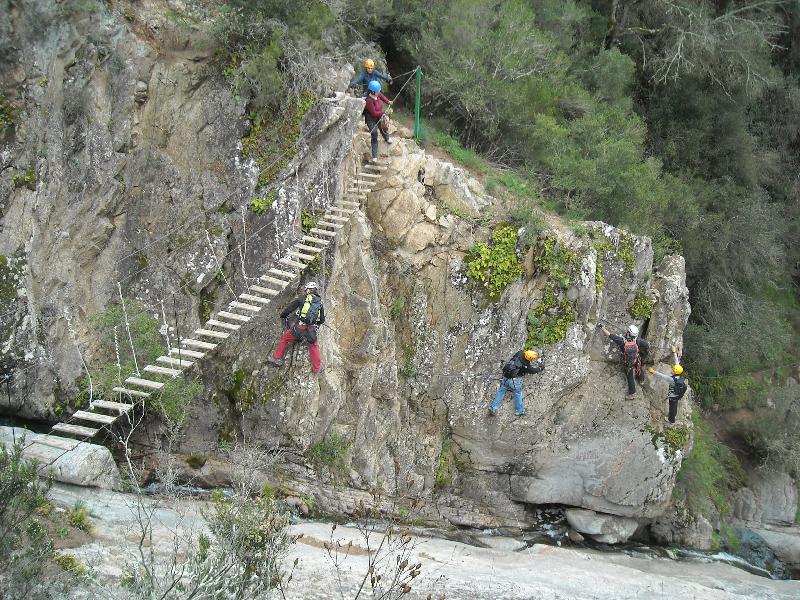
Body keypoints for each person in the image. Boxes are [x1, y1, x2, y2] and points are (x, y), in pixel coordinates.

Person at [268, 282, 325, 374]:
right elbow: (321, 320)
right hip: (311, 331)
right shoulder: (319, 303)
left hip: (299, 329)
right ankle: (316, 368)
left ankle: (277, 358)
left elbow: (288, 309)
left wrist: (283, 315)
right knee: (313, 346)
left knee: (285, 338)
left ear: (308, 290)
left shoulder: (302, 299)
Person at [489, 349, 545, 417]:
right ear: (530, 359)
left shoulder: (519, 353)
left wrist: (537, 358)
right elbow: (533, 370)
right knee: (518, 393)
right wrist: (540, 368)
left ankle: (493, 407)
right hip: (514, 381)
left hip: (506, 376)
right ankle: (519, 410)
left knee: (501, 391)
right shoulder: (526, 365)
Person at [601, 323, 650, 395]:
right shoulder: (638, 341)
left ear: (628, 333)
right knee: (639, 367)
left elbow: (610, 335)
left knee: (630, 378)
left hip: (628, 363)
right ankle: (641, 380)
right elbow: (646, 345)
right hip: (636, 359)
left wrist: (602, 327)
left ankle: (632, 392)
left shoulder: (622, 341)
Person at [648, 346, 688, 424]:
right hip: (678, 394)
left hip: (673, 396)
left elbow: (662, 376)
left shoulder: (672, 380)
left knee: (672, 407)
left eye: (673, 370)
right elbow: (677, 363)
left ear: (675, 372)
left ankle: (671, 420)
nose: (672, 369)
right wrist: (674, 353)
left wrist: (653, 372)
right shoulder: (680, 373)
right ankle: (673, 416)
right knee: (675, 406)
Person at [364, 80, 393, 162]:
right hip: (371, 119)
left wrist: (388, 102)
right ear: (372, 92)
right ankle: (374, 156)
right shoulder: (368, 101)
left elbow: (382, 97)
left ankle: (387, 138)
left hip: (379, 116)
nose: (379, 92)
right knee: (374, 133)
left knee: (383, 127)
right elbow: (373, 113)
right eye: (377, 91)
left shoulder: (377, 94)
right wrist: (385, 112)